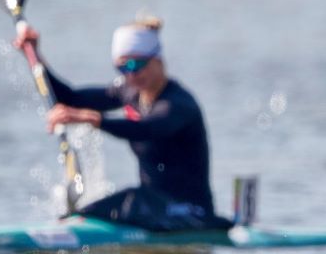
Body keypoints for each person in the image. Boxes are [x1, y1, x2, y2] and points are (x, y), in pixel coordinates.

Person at [13, 17, 232, 232]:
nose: (131, 74)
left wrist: (92, 118)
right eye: (123, 67)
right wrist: (34, 56)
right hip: (153, 206)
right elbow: (69, 98)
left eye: (138, 64)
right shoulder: (128, 91)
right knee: (99, 208)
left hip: (191, 211)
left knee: (128, 201)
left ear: (158, 60)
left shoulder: (179, 104)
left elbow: (145, 129)